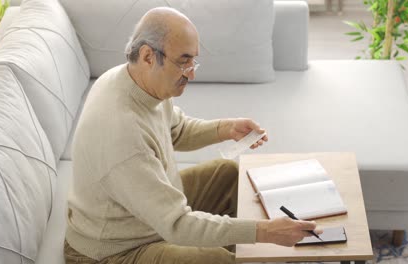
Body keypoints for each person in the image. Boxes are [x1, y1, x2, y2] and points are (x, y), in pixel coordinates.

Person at [64, 7, 321, 264]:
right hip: (113, 250)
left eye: (193, 61)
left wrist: (225, 128)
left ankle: (268, 240)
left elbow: (177, 129)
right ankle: (255, 244)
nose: (192, 73)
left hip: (146, 214)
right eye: (183, 61)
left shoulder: (137, 82)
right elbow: (177, 223)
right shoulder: (122, 133)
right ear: (147, 56)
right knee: (214, 260)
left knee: (226, 173)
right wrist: (264, 231)